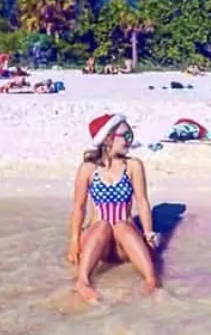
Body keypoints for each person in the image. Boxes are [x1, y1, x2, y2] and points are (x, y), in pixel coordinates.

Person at [66, 113, 159, 302]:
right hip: (98, 242)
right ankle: (82, 281)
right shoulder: (88, 169)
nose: (129, 140)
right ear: (107, 139)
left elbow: (142, 202)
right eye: (125, 135)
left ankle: (152, 281)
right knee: (102, 225)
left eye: (130, 134)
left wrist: (149, 235)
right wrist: (74, 240)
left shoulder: (133, 166)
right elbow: (79, 207)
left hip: (123, 244)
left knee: (121, 226)